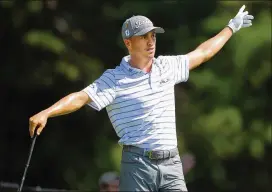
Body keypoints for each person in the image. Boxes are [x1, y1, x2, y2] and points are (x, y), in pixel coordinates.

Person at [29, 5, 253, 192]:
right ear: (128, 43)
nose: (151, 42)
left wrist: (231, 27)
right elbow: (80, 98)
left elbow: (203, 53)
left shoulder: (166, 66)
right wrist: (47, 112)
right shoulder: (114, 79)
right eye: (144, 37)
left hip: (172, 164)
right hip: (137, 167)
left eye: (153, 36)